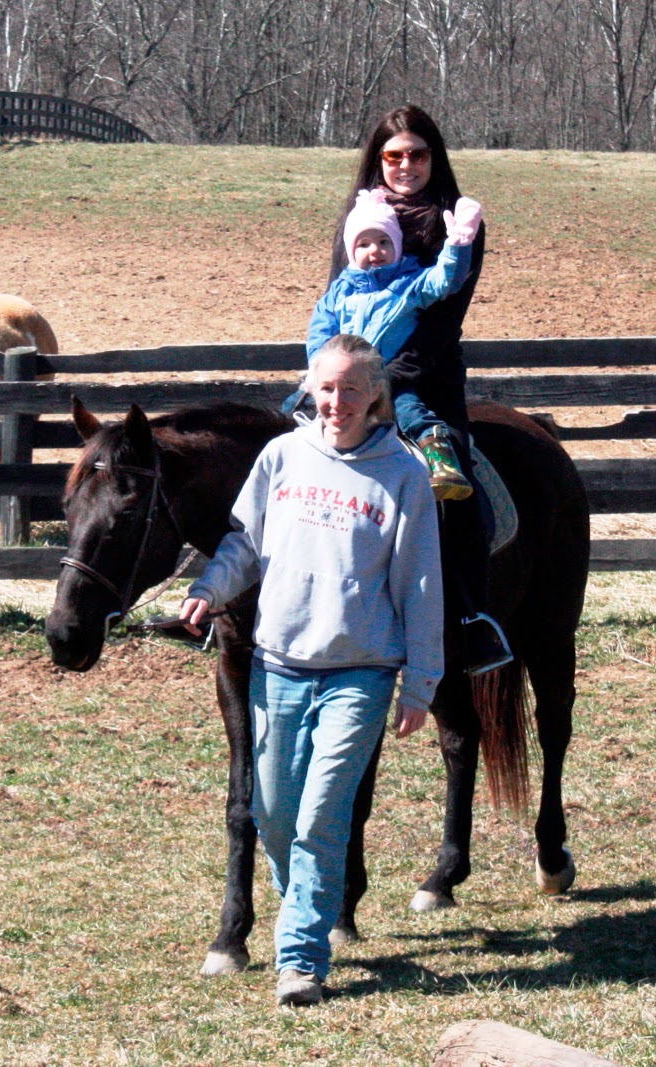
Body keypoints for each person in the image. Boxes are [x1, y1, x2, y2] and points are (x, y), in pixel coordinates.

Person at [178, 334, 444, 1008]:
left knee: (322, 815)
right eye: (326, 388)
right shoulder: (281, 458)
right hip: (280, 663)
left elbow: (420, 585)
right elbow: (245, 543)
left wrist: (422, 680)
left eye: (352, 389)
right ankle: (308, 901)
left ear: (376, 395)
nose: (337, 402)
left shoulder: (405, 474)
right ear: (309, 390)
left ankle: (299, 959)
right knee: (272, 812)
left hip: (362, 670)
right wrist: (209, 588)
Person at [330, 104, 511, 676]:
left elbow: (443, 318)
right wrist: (331, 371)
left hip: (423, 378)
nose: (405, 165)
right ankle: (227, 601)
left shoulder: (458, 222)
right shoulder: (358, 216)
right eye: (393, 155)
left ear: (435, 157)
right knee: (277, 454)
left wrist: (384, 379)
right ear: (376, 160)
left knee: (448, 481)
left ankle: (467, 617)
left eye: (417, 154)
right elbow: (337, 296)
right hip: (349, 376)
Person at [305, 187, 484, 500]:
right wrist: (320, 372)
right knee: (294, 408)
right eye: (364, 243)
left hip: (388, 379)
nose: (375, 250)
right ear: (351, 250)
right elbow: (320, 333)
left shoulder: (409, 283)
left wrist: (457, 243)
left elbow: (445, 280)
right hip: (341, 379)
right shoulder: (340, 292)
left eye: (384, 241)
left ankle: (441, 458)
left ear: (397, 246)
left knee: (409, 410)